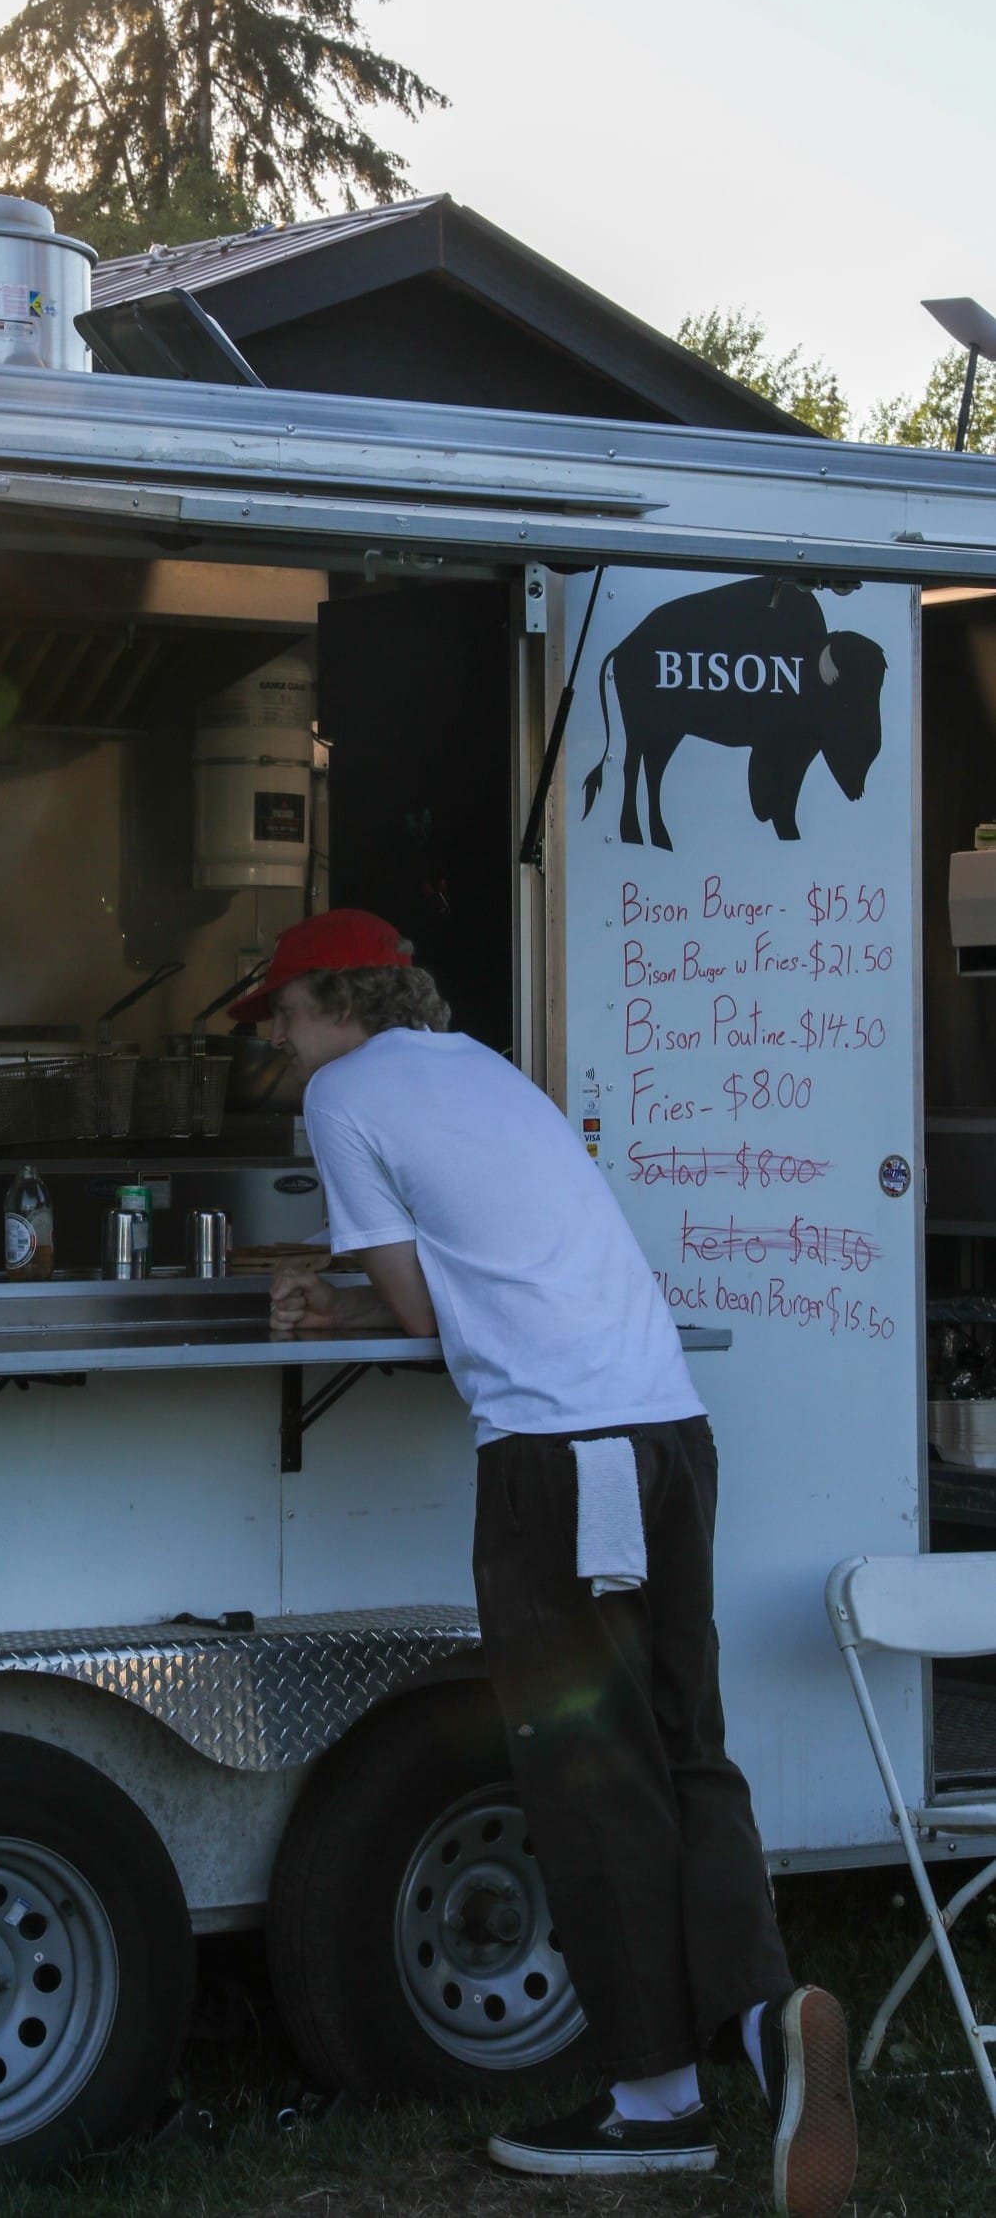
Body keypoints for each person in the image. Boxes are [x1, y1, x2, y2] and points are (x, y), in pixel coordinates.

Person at [230, 907, 857, 2218]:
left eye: (280, 1012)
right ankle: (760, 2020)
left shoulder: (342, 1094)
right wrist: (351, 1295)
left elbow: (419, 1307)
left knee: (586, 1768)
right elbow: (485, 1267)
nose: (276, 1040)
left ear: (336, 1000)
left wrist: (327, 1299)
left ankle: (654, 2105)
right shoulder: (483, 1067)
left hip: (557, 1461)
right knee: (684, 1748)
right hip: (668, 1434)